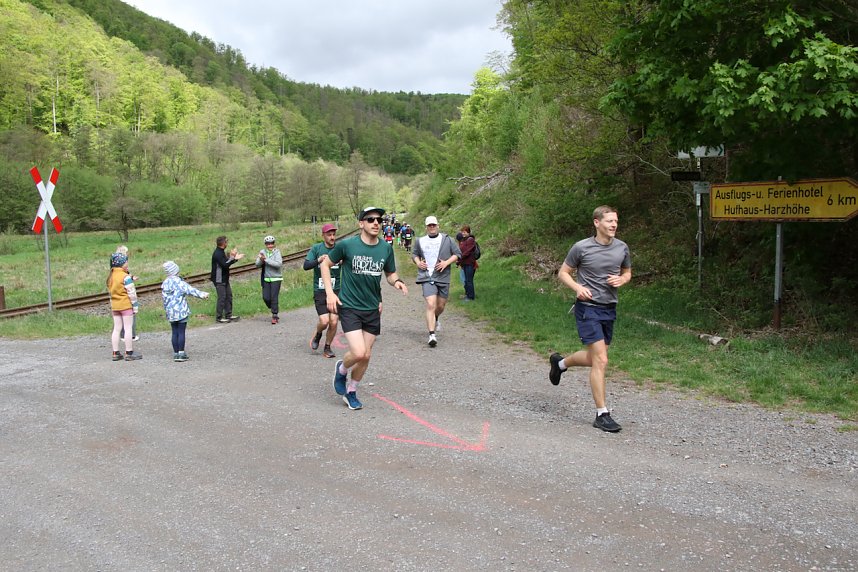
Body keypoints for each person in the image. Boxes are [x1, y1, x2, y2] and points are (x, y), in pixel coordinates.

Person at [548, 205, 632, 433]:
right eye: (609, 221)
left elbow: (627, 272)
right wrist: (577, 287)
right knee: (601, 360)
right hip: (587, 308)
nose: (614, 225)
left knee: (596, 358)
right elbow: (563, 272)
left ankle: (560, 363)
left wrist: (622, 281)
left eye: (616, 221)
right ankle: (601, 413)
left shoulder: (622, 248)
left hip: (609, 308)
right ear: (597, 223)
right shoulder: (581, 247)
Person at [320, 206, 408, 410]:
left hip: (372, 308)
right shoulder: (347, 246)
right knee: (359, 352)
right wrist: (330, 293)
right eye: (370, 219)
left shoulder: (385, 248)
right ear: (361, 224)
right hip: (349, 305)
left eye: (379, 219)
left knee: (366, 355)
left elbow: (390, 274)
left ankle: (351, 391)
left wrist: (397, 282)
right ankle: (341, 369)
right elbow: (325, 265)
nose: (376, 223)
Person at [412, 215, 461, 347]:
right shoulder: (420, 241)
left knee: (440, 306)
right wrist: (418, 262)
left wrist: (446, 263)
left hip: (443, 277)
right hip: (427, 276)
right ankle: (431, 335)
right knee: (430, 304)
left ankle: (436, 318)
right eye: (429, 225)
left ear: (438, 226)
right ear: (426, 227)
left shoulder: (447, 240)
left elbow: (457, 254)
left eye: (434, 225)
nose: (432, 227)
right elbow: (415, 254)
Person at [304, 223, 340, 358]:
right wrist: (318, 260)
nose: (332, 237)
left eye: (333, 234)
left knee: (334, 321)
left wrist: (342, 261)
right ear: (323, 236)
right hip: (320, 290)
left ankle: (327, 347)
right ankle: (318, 334)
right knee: (324, 321)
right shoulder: (316, 248)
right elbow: (306, 265)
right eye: (329, 235)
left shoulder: (339, 248)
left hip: (336, 290)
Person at [161, 261, 210, 362]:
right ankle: (181, 353)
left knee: (174, 332)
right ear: (176, 271)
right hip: (181, 311)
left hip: (171, 312)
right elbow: (190, 290)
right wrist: (203, 294)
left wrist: (167, 310)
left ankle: (175, 353)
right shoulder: (179, 282)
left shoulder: (165, 283)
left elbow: (164, 299)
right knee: (181, 332)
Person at [107, 252, 141, 361]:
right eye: (126, 261)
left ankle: (115, 352)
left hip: (115, 306)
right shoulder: (125, 277)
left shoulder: (111, 276)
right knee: (127, 328)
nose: (127, 263)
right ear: (122, 264)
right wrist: (135, 307)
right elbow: (132, 293)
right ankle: (129, 352)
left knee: (116, 329)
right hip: (126, 306)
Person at [210, 235, 244, 323]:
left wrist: (234, 258)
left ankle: (228, 315)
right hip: (219, 279)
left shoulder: (221, 252)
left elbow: (227, 262)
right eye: (226, 242)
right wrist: (234, 258)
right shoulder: (217, 253)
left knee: (228, 296)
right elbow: (225, 264)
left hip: (224, 279)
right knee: (222, 298)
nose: (227, 243)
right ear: (223, 243)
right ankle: (219, 317)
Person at [255, 235, 283, 324]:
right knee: (266, 297)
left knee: (274, 297)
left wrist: (266, 259)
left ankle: (275, 315)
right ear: (265, 244)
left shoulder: (277, 252)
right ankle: (274, 307)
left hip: (276, 278)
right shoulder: (262, 252)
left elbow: (278, 264)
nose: (270, 245)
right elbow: (257, 265)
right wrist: (261, 259)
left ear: (274, 244)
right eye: (268, 244)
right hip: (266, 278)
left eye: (271, 243)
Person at [116, 245, 139, 341]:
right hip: (126, 296)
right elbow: (126, 278)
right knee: (130, 316)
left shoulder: (114, 269)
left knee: (120, 317)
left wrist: (132, 277)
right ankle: (131, 335)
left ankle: (122, 335)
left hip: (117, 297)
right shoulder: (123, 267)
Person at [459, 225, 478, 301]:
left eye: (464, 232)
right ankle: (467, 295)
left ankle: (471, 297)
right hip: (464, 263)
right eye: (462, 232)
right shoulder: (463, 240)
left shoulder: (470, 239)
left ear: (468, 232)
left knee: (469, 280)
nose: (463, 233)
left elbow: (468, 251)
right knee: (466, 280)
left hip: (470, 263)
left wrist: (460, 257)